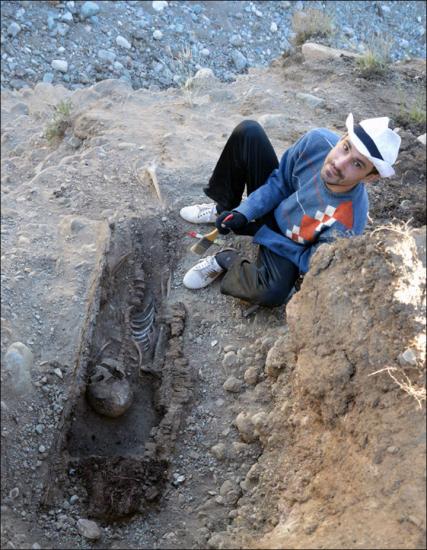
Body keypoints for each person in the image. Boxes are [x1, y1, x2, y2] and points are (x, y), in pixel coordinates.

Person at [180, 114, 401, 307]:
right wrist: (244, 212)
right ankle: (225, 210)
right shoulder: (315, 142)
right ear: (342, 137)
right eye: (345, 147)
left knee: (272, 293)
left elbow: (310, 260)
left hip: (290, 243)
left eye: (357, 164)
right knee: (249, 132)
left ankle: (226, 260)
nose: (339, 163)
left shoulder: (349, 220)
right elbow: (280, 183)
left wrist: (262, 233)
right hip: (275, 205)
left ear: (371, 177)